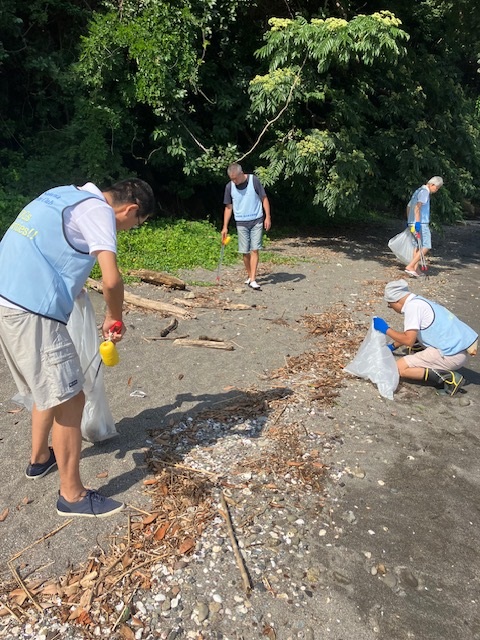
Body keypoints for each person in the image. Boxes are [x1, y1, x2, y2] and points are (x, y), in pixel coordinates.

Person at [0, 178, 155, 517]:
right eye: (134, 225)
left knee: (51, 388)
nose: (128, 230)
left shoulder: (62, 194)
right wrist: (115, 317)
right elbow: (112, 279)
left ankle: (40, 459)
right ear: (130, 210)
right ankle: (71, 496)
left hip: (8, 299)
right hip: (32, 310)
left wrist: (73, 284)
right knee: (72, 397)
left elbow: (47, 245)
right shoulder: (99, 211)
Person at [373, 279, 478, 396]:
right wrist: (392, 346)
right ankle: (431, 361)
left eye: (390, 305)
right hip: (458, 348)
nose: (390, 307)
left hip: (450, 355)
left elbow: (408, 340)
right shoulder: (419, 301)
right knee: (415, 341)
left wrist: (386, 329)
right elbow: (412, 332)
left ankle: (447, 378)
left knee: (399, 369)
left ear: (395, 300)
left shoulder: (412, 308)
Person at [222, 162, 271, 290]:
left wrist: (268, 217)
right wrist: (225, 226)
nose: (234, 181)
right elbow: (228, 207)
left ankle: (253, 279)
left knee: (255, 249)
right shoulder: (229, 187)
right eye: (231, 179)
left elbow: (264, 198)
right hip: (241, 222)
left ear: (241, 174)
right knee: (244, 251)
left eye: (235, 178)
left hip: (257, 219)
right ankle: (250, 275)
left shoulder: (253, 180)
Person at [404, 176, 443, 277]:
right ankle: (411, 266)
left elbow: (409, 206)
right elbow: (417, 207)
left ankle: (416, 270)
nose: (436, 190)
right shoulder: (425, 192)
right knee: (426, 245)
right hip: (421, 223)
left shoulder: (418, 191)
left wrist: (409, 221)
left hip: (412, 222)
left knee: (417, 246)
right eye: (437, 188)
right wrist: (417, 223)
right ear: (432, 184)